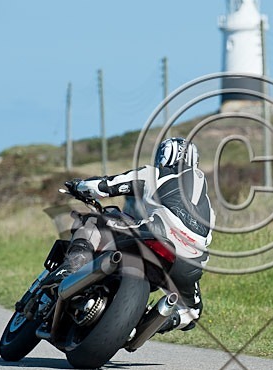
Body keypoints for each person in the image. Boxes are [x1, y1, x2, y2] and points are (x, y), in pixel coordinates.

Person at [48, 137, 215, 333]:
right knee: (192, 313)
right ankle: (146, 325)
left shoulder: (153, 174)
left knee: (92, 221)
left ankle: (68, 271)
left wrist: (79, 186)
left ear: (165, 156)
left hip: (157, 234)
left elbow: (106, 186)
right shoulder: (208, 206)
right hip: (190, 262)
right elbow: (207, 237)